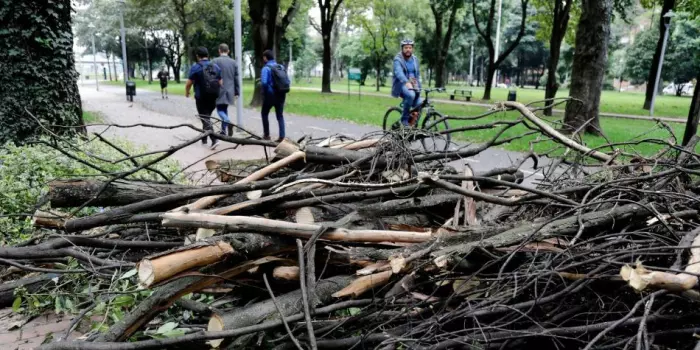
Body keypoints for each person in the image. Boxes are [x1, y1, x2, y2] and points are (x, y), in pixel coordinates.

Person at [185, 47, 222, 149]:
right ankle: (204, 138)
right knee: (206, 117)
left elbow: (189, 83)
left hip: (201, 97)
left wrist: (187, 92)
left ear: (197, 56)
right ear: (207, 55)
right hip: (213, 96)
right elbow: (220, 82)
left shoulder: (196, 67)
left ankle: (214, 139)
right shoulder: (216, 67)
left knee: (205, 118)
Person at [391, 39, 422, 127]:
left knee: (420, 103)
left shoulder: (415, 59)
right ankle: (404, 120)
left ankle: (412, 123)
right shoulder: (398, 59)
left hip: (414, 84)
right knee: (411, 95)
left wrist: (419, 85)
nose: (408, 49)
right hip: (401, 84)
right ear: (402, 49)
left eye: (410, 48)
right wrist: (406, 82)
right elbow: (398, 72)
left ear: (412, 49)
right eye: (406, 48)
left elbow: (417, 74)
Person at [260, 50, 289, 142]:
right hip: (281, 94)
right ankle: (282, 136)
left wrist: (266, 92)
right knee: (280, 115)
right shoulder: (281, 67)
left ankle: (267, 135)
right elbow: (287, 81)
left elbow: (264, 82)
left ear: (265, 57)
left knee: (264, 113)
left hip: (271, 94)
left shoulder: (266, 68)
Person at [212, 43, 240, 137]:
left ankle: (227, 121)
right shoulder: (233, 62)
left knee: (219, 109)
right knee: (224, 109)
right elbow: (236, 78)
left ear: (219, 51)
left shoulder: (215, 61)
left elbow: (212, 76)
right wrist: (237, 91)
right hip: (230, 90)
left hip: (218, 89)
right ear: (228, 51)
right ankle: (223, 130)